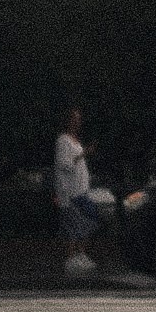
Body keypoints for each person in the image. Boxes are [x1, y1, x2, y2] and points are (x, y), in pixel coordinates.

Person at [51, 107, 110, 275]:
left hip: (81, 189)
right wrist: (84, 153)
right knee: (73, 224)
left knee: (87, 220)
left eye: (78, 118)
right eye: (74, 118)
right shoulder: (63, 140)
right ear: (67, 120)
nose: (77, 121)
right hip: (70, 191)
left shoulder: (75, 139)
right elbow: (65, 164)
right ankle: (71, 259)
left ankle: (81, 255)